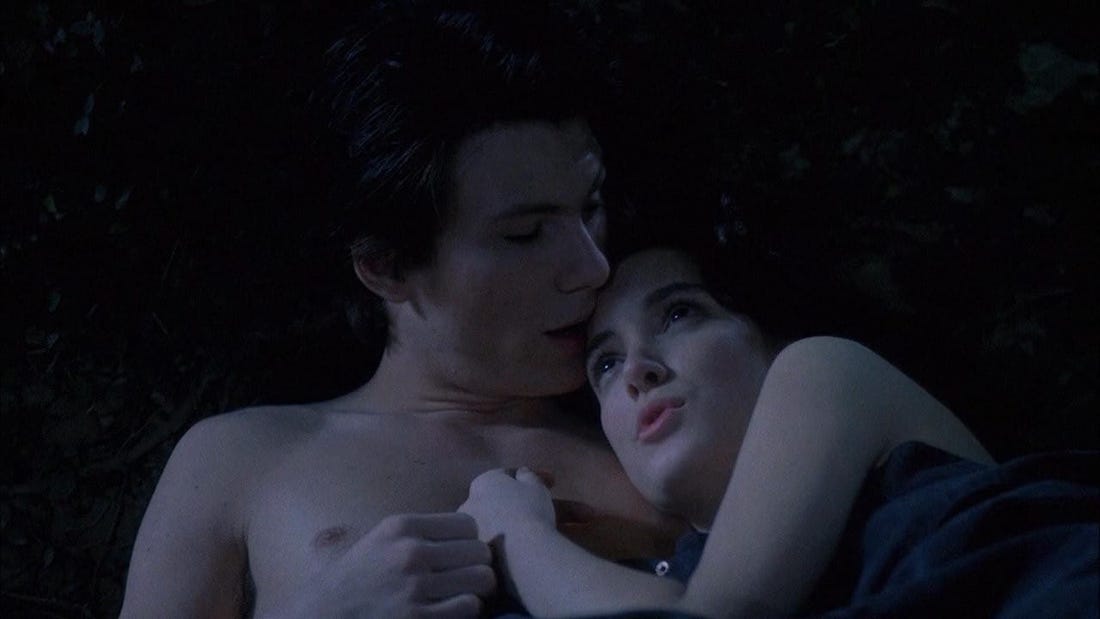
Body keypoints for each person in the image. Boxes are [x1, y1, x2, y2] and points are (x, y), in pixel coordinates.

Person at [119, 4, 681, 618]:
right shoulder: (242, 458)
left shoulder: (667, 424)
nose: (592, 266)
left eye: (591, 207)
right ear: (385, 266)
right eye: (524, 235)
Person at [460, 245, 1100, 618]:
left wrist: (516, 532)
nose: (636, 371)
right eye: (604, 364)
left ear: (770, 338)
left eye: (679, 314)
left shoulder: (823, 369)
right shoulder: (668, 572)